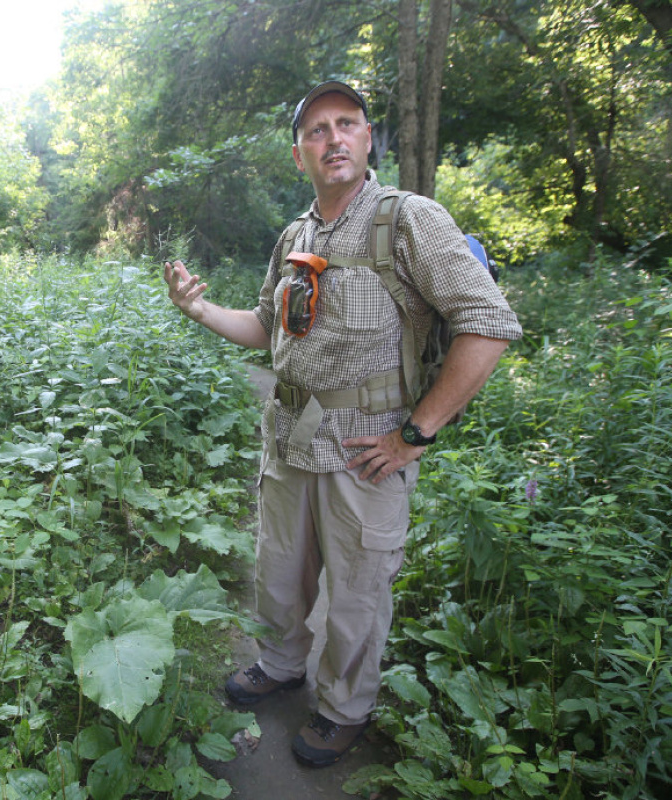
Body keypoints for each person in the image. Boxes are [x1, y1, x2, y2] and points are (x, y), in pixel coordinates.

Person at [162, 80, 522, 767]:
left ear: (366, 139)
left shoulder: (407, 219)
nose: (333, 138)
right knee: (279, 574)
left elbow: (489, 324)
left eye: (346, 124)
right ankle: (280, 663)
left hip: (368, 449)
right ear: (299, 155)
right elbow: (267, 330)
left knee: (357, 593)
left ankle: (343, 709)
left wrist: (415, 434)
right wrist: (200, 310)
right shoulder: (294, 235)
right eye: (317, 130)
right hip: (291, 441)